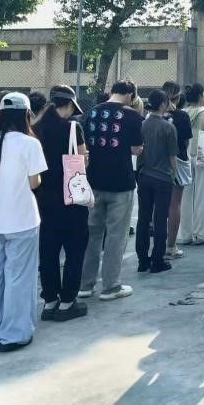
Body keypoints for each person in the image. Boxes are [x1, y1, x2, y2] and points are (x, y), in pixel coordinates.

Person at [0, 92, 47, 352]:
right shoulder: (30, 143)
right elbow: (34, 182)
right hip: (22, 219)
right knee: (19, 277)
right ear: (27, 114)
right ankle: (14, 334)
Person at [79, 80, 143, 301]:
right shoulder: (133, 115)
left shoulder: (91, 113)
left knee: (91, 235)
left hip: (93, 181)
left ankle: (85, 285)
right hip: (121, 183)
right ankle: (110, 286)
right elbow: (136, 148)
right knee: (116, 236)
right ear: (131, 95)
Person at [35, 86, 90, 322]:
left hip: (43, 199)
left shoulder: (35, 129)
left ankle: (49, 301)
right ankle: (68, 301)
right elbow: (83, 161)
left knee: (47, 251)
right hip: (70, 198)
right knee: (75, 250)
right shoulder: (72, 128)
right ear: (68, 105)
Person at [136, 90, 177, 274]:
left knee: (143, 218)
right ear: (162, 105)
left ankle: (142, 259)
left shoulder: (141, 125)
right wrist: (174, 174)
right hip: (163, 178)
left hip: (144, 175)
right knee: (160, 219)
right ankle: (157, 259)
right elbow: (172, 157)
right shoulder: (168, 128)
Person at [180, 83, 204, 246]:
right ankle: (201, 233)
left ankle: (185, 233)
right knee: (203, 195)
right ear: (201, 95)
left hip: (185, 156)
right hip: (203, 156)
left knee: (185, 196)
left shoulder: (182, 113)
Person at [163, 81, 193, 261]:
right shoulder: (182, 116)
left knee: (159, 205)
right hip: (179, 159)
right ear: (178, 96)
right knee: (175, 204)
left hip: (157, 163)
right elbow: (187, 141)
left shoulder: (155, 115)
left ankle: (158, 245)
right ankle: (171, 246)